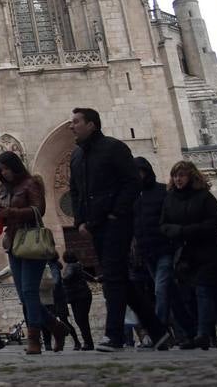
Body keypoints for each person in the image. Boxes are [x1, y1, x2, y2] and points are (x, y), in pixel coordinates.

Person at [68, 107, 172, 351]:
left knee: (113, 276)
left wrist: (117, 212)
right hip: (94, 224)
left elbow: (132, 182)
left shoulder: (114, 148)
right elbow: (75, 191)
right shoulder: (76, 156)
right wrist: (79, 221)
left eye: (76, 122)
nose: (71, 126)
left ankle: (113, 336)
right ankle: (159, 332)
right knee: (121, 279)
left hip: (117, 222)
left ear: (91, 124)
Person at [0, 149, 64, 353]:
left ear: (15, 166)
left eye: (6, 169)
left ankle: (34, 340)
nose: (3, 173)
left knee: (30, 291)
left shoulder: (31, 184)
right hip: (13, 243)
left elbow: (38, 210)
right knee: (24, 295)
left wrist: (10, 211)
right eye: (0, 170)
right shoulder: (6, 189)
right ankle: (56, 327)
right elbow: (7, 215)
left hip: (31, 241)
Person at [160, 160, 217, 351]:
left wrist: (190, 230)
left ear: (191, 176)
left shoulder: (204, 196)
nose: (178, 179)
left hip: (209, 253)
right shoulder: (169, 199)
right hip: (187, 255)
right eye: (175, 175)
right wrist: (178, 231)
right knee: (215, 297)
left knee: (203, 290)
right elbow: (163, 224)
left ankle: (203, 333)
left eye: (182, 175)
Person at [133, 157, 184, 338]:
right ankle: (186, 330)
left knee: (160, 289)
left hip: (165, 249)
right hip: (147, 252)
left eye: (140, 171)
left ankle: (158, 331)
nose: (138, 176)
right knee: (170, 292)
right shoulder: (134, 195)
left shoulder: (163, 191)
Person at [62, 250, 96, 350]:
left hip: (78, 296)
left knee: (81, 320)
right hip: (83, 295)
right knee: (82, 320)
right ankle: (88, 343)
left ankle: (88, 343)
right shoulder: (78, 265)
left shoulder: (71, 266)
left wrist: (62, 279)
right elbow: (89, 277)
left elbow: (67, 277)